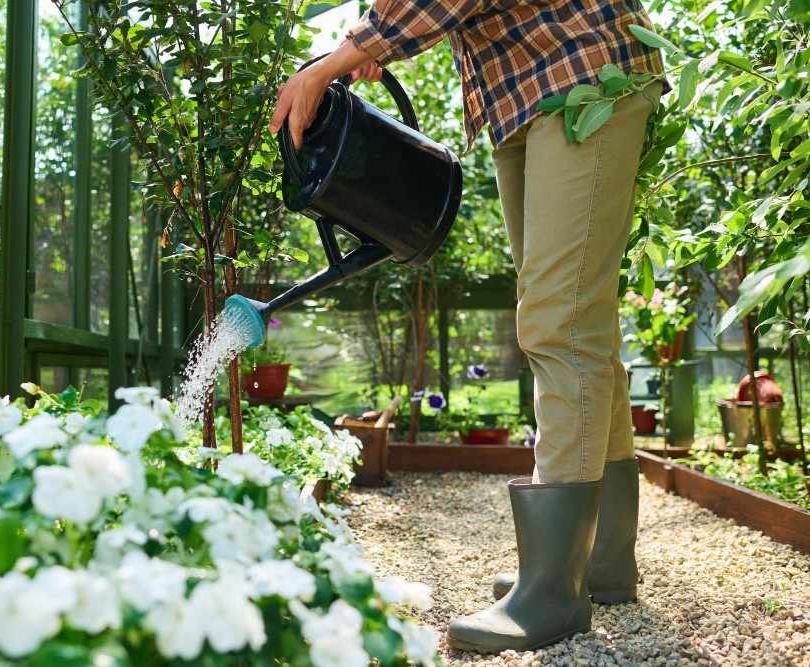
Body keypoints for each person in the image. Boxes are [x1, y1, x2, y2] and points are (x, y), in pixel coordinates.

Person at [269, 0, 665, 654]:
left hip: (581, 71)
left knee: (559, 320)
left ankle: (552, 589)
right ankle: (599, 562)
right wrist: (373, 37)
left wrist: (342, 56)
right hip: (528, 91)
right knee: (576, 318)